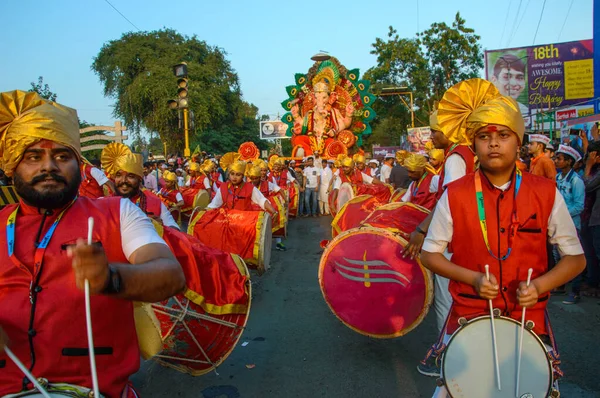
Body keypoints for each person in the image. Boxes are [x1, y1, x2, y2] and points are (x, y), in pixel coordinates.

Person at [0, 90, 185, 397]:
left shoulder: (117, 211)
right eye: (33, 157)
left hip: (99, 390)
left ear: (78, 163)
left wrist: (112, 278)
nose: (49, 167)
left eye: (62, 156)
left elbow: (170, 273)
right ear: (12, 166)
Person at [420, 84, 585, 397]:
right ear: (475, 143)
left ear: (518, 140)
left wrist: (539, 286)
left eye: (503, 136)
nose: (493, 144)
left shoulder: (545, 193)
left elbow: (576, 259)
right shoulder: (455, 195)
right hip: (468, 321)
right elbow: (430, 255)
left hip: (528, 324)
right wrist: (472, 278)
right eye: (484, 137)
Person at [408, 80, 487, 378]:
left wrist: (421, 229)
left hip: (453, 242)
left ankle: (447, 357)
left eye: (435, 130)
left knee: (447, 300)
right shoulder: (466, 154)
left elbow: (449, 201)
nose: (431, 136)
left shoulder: (455, 158)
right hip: (467, 238)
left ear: (450, 131)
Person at [103, 145, 180, 231]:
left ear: (139, 179)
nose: (123, 180)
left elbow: (175, 230)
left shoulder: (155, 202)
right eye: (118, 175)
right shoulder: (103, 204)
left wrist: (160, 228)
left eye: (130, 176)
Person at [554, 145, 585, 304]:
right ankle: (560, 286)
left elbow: (580, 206)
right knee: (559, 256)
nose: (556, 161)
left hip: (573, 225)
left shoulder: (576, 181)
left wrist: (563, 214)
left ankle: (575, 292)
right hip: (559, 224)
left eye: (559, 159)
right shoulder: (558, 178)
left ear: (568, 161)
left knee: (572, 257)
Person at [207, 160, 277, 216]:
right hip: (228, 220)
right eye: (232, 174)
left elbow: (261, 200)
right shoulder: (223, 187)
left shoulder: (250, 188)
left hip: (245, 222)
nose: (234, 177)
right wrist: (203, 212)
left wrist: (273, 212)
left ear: (243, 176)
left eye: (238, 175)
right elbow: (214, 204)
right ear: (229, 174)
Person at [580, 142, 600, 298]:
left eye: (591, 155)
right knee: (591, 253)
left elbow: (585, 186)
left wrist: (587, 167)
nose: (588, 158)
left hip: (596, 218)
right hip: (590, 217)